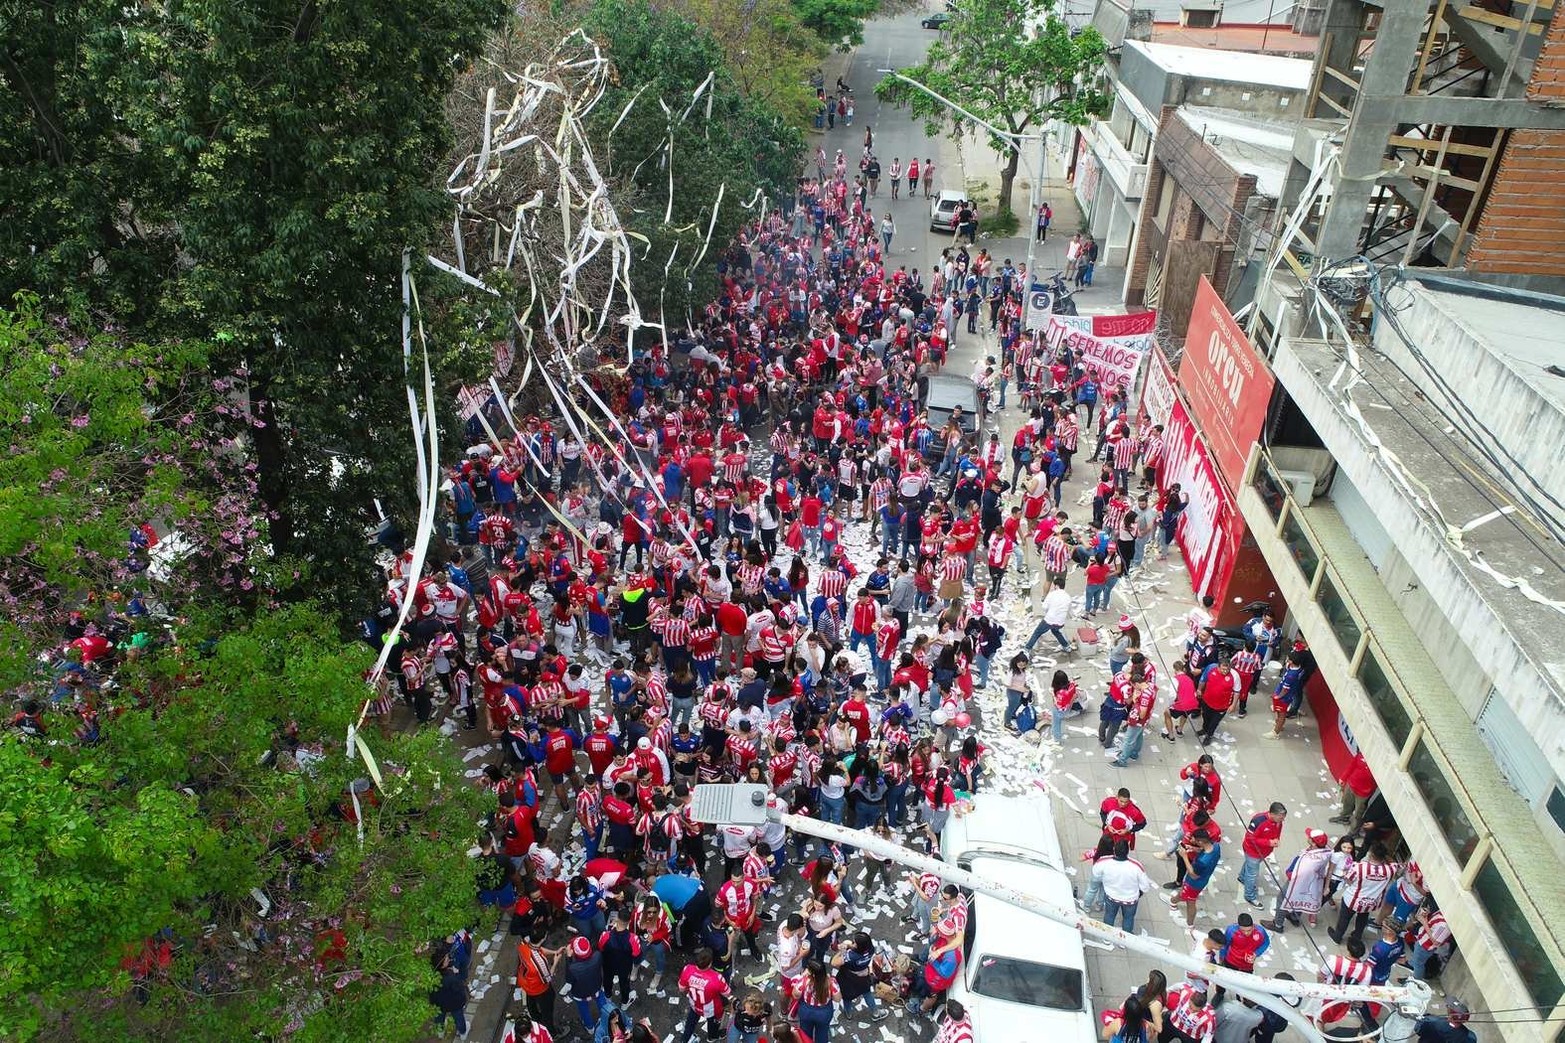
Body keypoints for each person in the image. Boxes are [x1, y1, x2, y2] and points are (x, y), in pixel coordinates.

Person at [1270, 827, 1331, 931]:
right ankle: (1294, 917)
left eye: (1310, 837)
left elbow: (1297, 874)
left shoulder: (1310, 861)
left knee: (1282, 899)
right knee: (1301, 897)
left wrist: (1290, 874)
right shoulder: (1325, 851)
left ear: (1313, 843)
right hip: (1309, 883)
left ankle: (1278, 924)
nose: (1307, 837)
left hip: (1296, 882)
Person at [1094, 839, 1156, 933]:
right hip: (1130, 899)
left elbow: (1096, 873)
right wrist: (1139, 893)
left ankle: (1106, 936)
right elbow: (1145, 886)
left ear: (1114, 849)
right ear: (1127, 852)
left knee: (1109, 915)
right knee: (1128, 918)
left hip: (1111, 896)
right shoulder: (1136, 866)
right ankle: (1125, 940)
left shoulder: (1104, 862)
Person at [1239, 802, 1287, 908]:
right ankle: (1249, 896)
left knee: (1249, 866)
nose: (1282, 820)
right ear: (1273, 814)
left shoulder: (1278, 822)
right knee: (1252, 874)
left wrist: (1276, 840)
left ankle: (1242, 877)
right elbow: (1250, 838)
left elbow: (1277, 832)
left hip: (1264, 852)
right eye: (1280, 817)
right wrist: (1269, 842)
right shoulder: (1258, 820)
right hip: (1253, 851)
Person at [677, 947, 731, 1043]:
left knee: (691, 1021)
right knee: (713, 1023)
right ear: (710, 964)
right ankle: (712, 1037)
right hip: (711, 1007)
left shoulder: (687, 969)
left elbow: (681, 988)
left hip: (694, 1003)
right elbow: (727, 993)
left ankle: (684, 1040)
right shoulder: (716, 978)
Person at [1171, 833, 1221, 928]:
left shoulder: (1202, 862)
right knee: (1184, 893)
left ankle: (1189, 924)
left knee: (1190, 902)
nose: (1192, 841)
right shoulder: (1215, 846)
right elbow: (1204, 850)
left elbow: (1193, 875)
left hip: (1193, 883)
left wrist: (1185, 857)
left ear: (1200, 842)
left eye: (1194, 840)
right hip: (1204, 878)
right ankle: (1173, 901)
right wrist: (1194, 849)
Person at [1024, 578, 1075, 654]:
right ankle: (1066, 646)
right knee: (1056, 631)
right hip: (1060, 621)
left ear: (1056, 585)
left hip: (1049, 619)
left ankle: (1027, 648)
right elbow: (1070, 610)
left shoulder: (1052, 594)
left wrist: (1049, 611)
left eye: (1054, 585)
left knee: (1037, 632)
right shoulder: (1068, 597)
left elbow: (1044, 607)